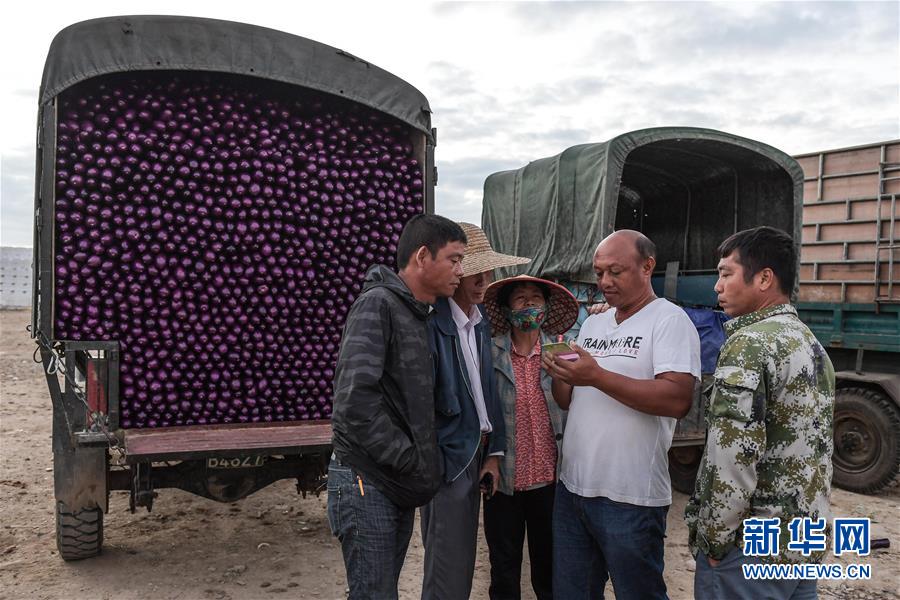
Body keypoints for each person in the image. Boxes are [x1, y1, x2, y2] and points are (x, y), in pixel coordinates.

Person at [542, 229, 701, 600]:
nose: (605, 282)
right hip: (573, 490)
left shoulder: (668, 320)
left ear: (648, 267)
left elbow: (677, 399)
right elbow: (568, 401)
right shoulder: (595, 322)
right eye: (599, 273)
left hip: (630, 499)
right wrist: (562, 374)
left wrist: (595, 375)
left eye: (616, 271)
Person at [686, 226, 835, 600]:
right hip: (803, 539)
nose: (717, 287)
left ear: (765, 277)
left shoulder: (750, 344)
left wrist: (716, 540)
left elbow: (732, 458)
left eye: (725, 274)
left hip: (753, 545)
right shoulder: (809, 341)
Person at [328, 214, 467, 600]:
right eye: (454, 259)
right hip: (368, 481)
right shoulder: (378, 306)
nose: (461, 270)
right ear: (423, 256)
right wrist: (408, 458)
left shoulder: (417, 313)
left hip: (395, 483)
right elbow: (354, 404)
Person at [421, 222, 530, 600]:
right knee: (447, 563)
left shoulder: (479, 325)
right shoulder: (433, 323)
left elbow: (488, 394)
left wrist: (494, 452)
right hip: (450, 454)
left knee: (463, 558)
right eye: (472, 270)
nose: (483, 279)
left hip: (476, 450)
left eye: (488, 270)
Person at [482, 275, 579, 600]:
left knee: (550, 568)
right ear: (507, 309)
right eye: (520, 298)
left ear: (546, 306)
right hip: (503, 480)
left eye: (535, 297)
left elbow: (575, 406)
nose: (528, 303)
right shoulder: (490, 353)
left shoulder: (561, 351)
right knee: (504, 570)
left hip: (550, 481)